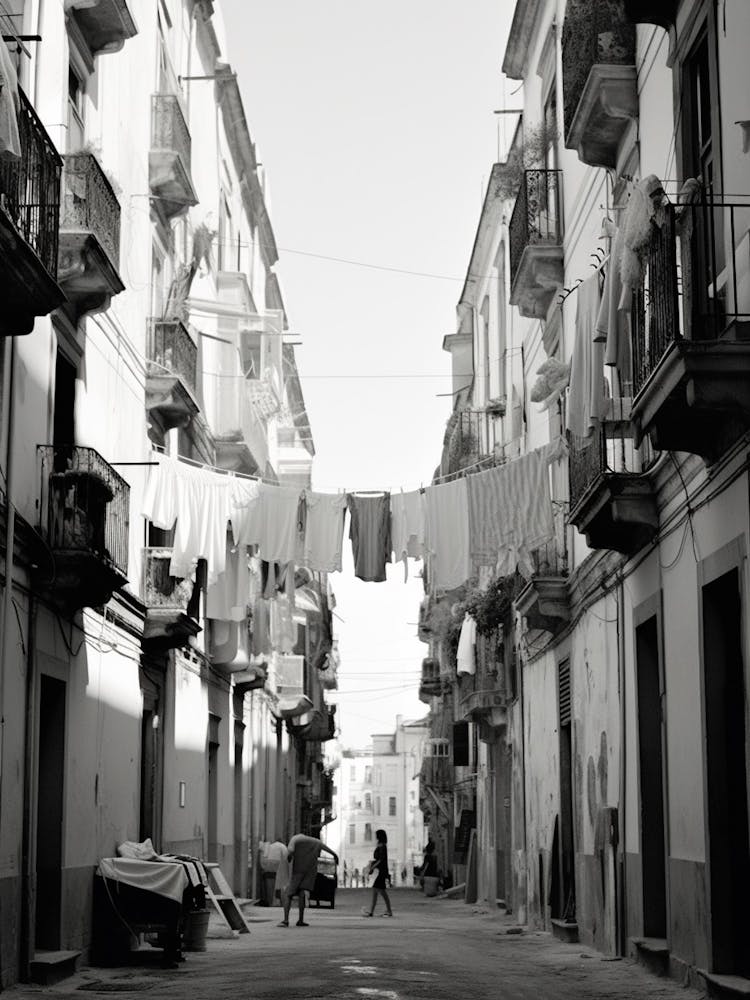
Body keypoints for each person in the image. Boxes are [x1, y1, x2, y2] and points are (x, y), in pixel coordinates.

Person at [278, 833, 338, 928]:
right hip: (309, 871)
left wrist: (289, 857)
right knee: (302, 893)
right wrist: (335, 856)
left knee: (288, 894)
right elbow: (326, 848)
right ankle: (300, 920)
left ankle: (286, 920)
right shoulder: (315, 841)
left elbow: (291, 850)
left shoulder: (295, 839)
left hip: (298, 870)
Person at [362, 829, 393, 917]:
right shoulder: (380, 845)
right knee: (376, 891)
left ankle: (389, 910)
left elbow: (381, 860)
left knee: (381, 891)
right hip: (379, 871)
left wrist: (373, 866)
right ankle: (372, 911)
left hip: (381, 871)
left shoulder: (382, 846)